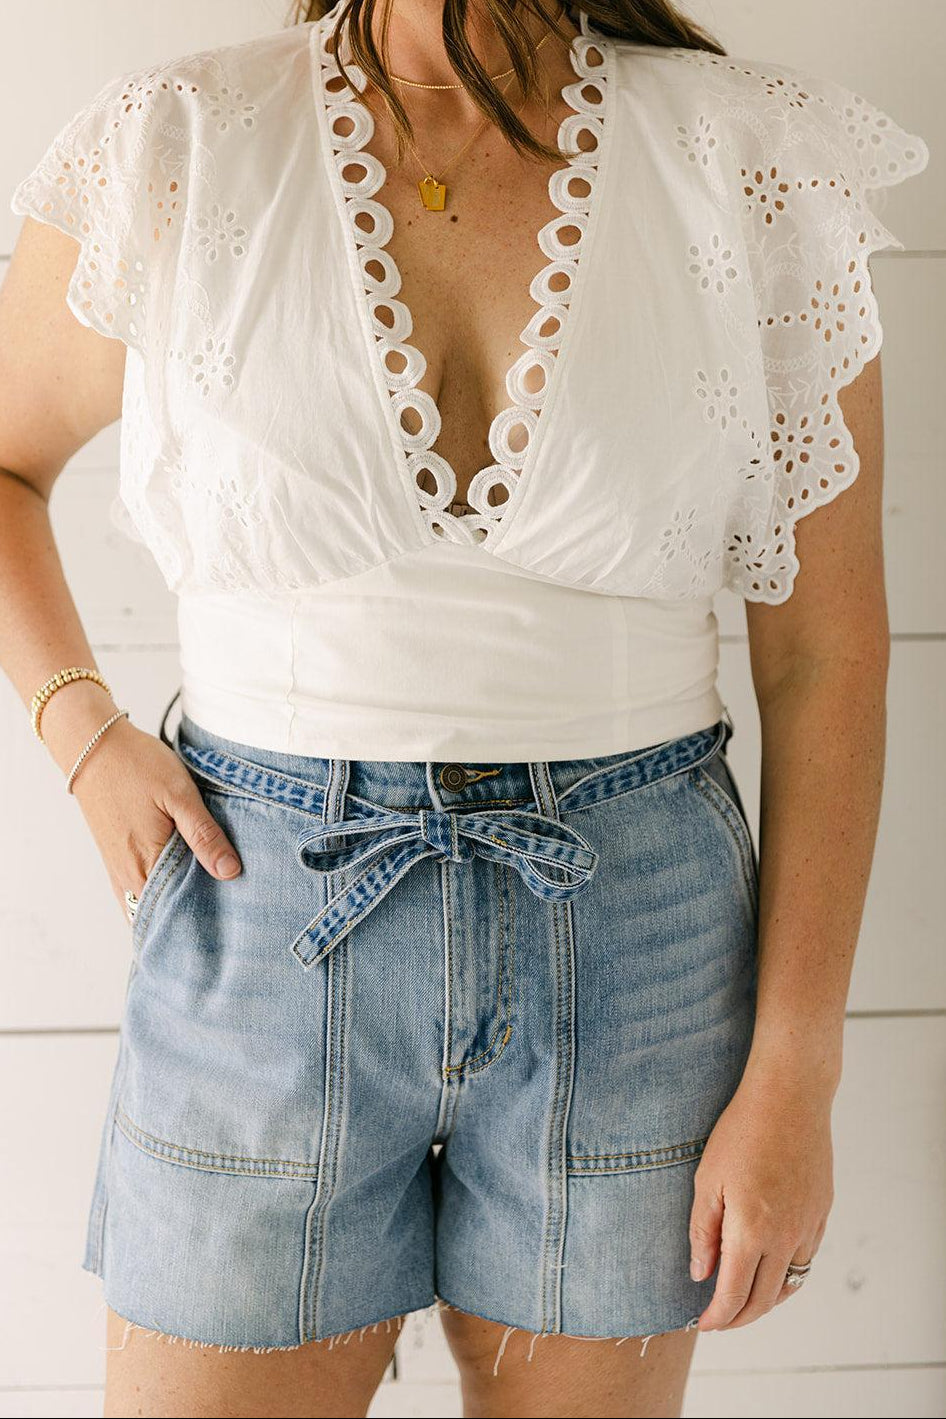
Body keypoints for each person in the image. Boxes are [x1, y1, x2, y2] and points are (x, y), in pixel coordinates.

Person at [0, 1, 929, 1415]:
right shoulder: (175, 142)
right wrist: (81, 735)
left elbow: (827, 652)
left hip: (636, 941)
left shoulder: (748, 156)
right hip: (257, 918)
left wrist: (797, 1064)